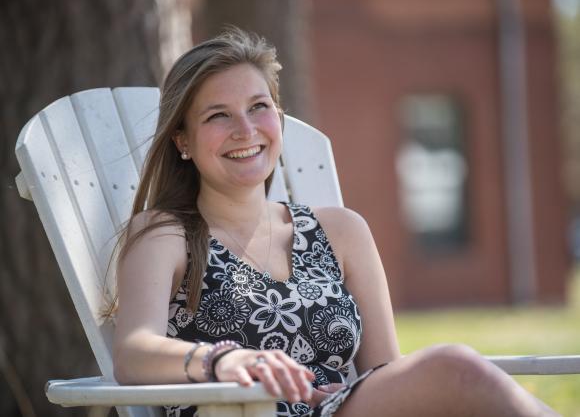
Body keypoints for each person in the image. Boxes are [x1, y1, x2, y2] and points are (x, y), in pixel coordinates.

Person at [112, 27, 559, 417]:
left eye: (258, 107)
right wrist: (222, 361)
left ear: (279, 120)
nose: (246, 130)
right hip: (234, 414)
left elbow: (385, 372)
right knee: (456, 370)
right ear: (183, 141)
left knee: (458, 378)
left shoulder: (339, 232)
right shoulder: (168, 234)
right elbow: (133, 352)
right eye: (218, 115)